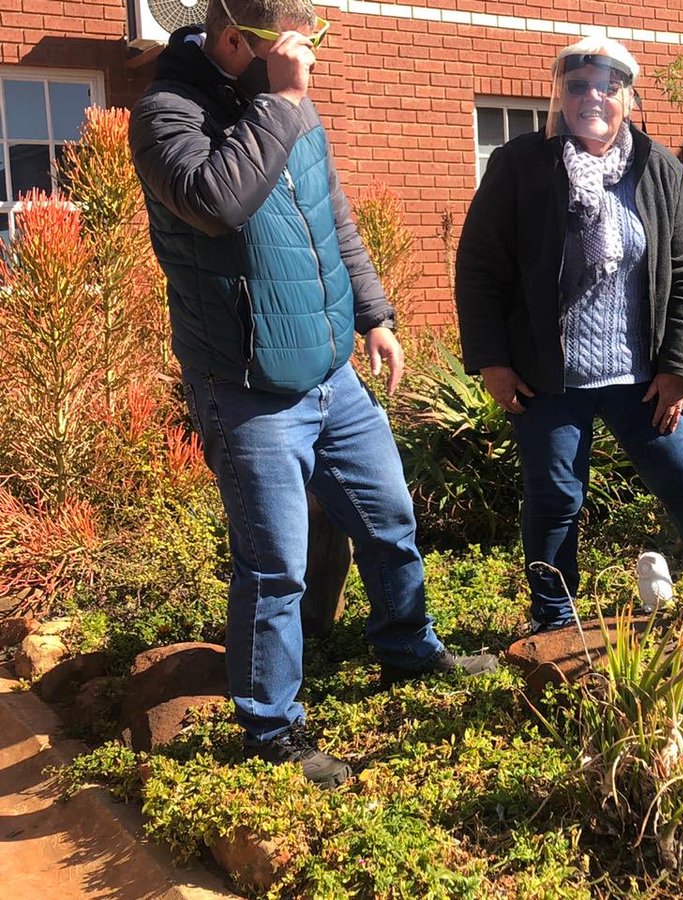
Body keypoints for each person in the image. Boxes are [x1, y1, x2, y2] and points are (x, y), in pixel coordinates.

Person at [129, 0, 496, 789]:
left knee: (389, 519)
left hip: (332, 374)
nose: (311, 58)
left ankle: (407, 646)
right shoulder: (166, 115)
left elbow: (331, 218)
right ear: (238, 42)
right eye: (297, 45)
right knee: (274, 566)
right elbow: (217, 202)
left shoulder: (284, 104)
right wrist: (284, 100)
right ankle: (270, 729)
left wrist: (374, 316)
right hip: (247, 386)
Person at [455, 36, 683, 634]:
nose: (592, 97)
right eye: (578, 85)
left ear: (628, 98)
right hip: (548, 377)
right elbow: (480, 268)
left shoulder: (658, 168)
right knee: (554, 496)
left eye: (607, 87)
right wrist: (492, 360)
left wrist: (679, 367)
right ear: (560, 95)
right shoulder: (519, 166)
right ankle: (554, 619)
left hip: (643, 376)